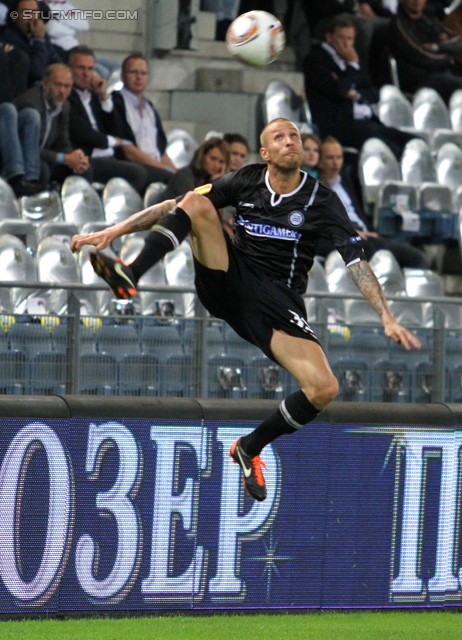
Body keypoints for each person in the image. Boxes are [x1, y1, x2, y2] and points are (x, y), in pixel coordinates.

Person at [70, 117, 420, 502]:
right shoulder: (247, 179)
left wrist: (385, 315)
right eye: (280, 137)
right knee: (195, 201)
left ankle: (250, 447)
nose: (291, 141)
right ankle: (132, 273)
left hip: (276, 300)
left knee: (324, 388)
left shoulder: (322, 200)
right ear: (266, 152)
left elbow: (356, 261)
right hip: (228, 278)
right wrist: (113, 232)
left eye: (295, 136)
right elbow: (176, 205)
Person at [304, 14, 415, 159]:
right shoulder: (316, 60)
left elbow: (373, 93)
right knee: (392, 149)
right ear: (329, 37)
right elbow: (340, 90)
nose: (346, 44)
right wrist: (351, 66)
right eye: (341, 37)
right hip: (340, 125)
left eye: (350, 39)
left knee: (413, 142)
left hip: (367, 122)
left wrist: (355, 94)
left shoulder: (354, 60)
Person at [317, 136, 430, 268]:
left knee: (417, 257)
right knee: (368, 251)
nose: (335, 163)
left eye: (339, 157)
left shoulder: (345, 181)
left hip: (364, 233)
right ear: (320, 161)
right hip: (347, 236)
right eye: (330, 158)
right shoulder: (317, 185)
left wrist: (366, 230)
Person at [67, 45, 150, 194]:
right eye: (81, 68)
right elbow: (82, 132)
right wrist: (114, 141)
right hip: (87, 156)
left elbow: (116, 128)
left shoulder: (94, 97)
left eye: (90, 69)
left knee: (160, 176)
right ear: (70, 70)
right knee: (138, 174)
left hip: (108, 155)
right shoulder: (67, 96)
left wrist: (104, 97)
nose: (86, 74)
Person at [13, 62, 90, 185]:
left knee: (84, 169)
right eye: (58, 85)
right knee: (43, 169)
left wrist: (76, 158)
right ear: (44, 84)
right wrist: (64, 158)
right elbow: (29, 148)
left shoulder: (64, 106)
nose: (62, 91)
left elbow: (62, 142)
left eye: (67, 86)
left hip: (46, 157)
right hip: (22, 158)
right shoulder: (31, 104)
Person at [111, 52, 176, 184]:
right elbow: (128, 151)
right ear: (123, 76)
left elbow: (160, 151)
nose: (139, 77)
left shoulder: (149, 107)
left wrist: (176, 171)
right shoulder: (115, 102)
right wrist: (166, 170)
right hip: (135, 166)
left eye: (143, 73)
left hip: (157, 166)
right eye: (133, 72)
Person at [389, 0, 462, 103]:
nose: (417, 1)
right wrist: (447, 54)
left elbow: (457, 40)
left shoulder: (429, 19)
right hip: (419, 79)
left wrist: (435, 46)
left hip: (443, 71)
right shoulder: (399, 23)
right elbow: (422, 56)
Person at [0, 0, 61, 86]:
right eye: (26, 13)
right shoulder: (8, 36)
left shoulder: (39, 33)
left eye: (35, 12)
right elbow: (36, 73)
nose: (32, 17)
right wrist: (39, 40)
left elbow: (58, 65)